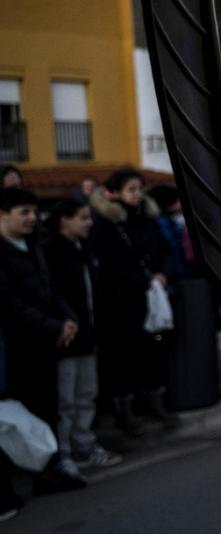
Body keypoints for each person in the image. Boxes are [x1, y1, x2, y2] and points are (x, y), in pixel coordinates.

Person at [0, 187, 88, 494]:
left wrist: (67, 321)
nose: (31, 218)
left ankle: (48, 472)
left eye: (34, 212)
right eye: (23, 212)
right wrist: (53, 326)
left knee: (47, 408)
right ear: (2, 215)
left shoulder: (33, 245)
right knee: (24, 412)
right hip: (18, 348)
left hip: (47, 344)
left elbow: (50, 290)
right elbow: (10, 305)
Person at [90, 168, 179, 434]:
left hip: (153, 297)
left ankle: (154, 402)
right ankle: (125, 411)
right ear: (115, 193)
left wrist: (162, 274)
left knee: (154, 352)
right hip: (122, 301)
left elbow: (166, 251)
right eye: (131, 189)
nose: (137, 194)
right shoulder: (106, 224)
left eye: (139, 188)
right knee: (125, 357)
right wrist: (141, 279)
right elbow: (108, 264)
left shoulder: (148, 219)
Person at [42, 199, 122, 469]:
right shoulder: (50, 250)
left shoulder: (83, 247)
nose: (89, 223)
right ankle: (64, 453)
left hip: (88, 334)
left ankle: (84, 445)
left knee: (86, 394)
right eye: (83, 218)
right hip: (65, 336)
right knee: (65, 400)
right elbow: (52, 294)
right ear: (64, 219)